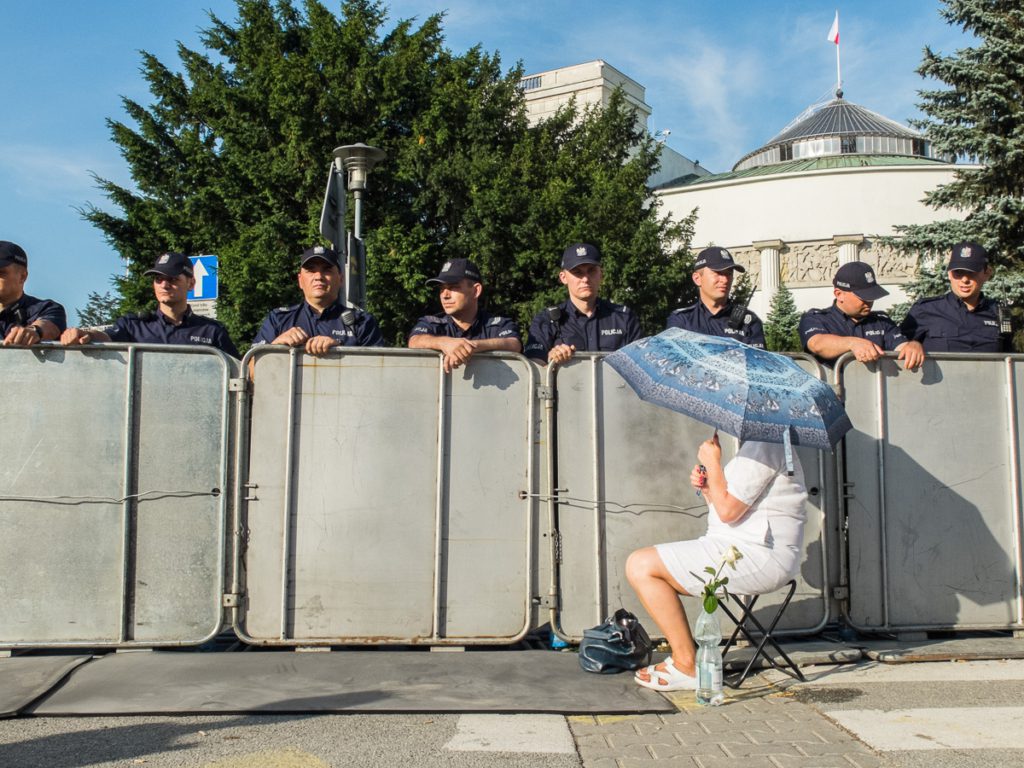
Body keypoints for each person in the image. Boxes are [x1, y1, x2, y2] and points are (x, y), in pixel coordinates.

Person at [626, 432, 807, 690]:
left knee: (641, 565)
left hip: (759, 555)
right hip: (735, 547)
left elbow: (728, 512)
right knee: (642, 564)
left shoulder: (766, 445)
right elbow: (727, 505)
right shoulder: (757, 448)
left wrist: (712, 462)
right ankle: (686, 659)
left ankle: (687, 664)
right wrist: (708, 486)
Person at [61, 252, 238, 357]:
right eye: (158, 279)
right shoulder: (133, 326)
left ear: (191, 284)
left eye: (173, 279)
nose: (164, 285)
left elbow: (236, 374)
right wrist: (85, 334)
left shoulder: (212, 331)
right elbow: (105, 338)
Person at [524, 243, 642, 364]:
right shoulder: (547, 320)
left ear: (601, 274)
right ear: (563, 277)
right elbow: (533, 369)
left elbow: (639, 367)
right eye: (577, 272)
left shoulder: (624, 318)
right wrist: (551, 360)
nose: (585, 279)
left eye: (591, 271)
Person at [252, 246, 385, 353]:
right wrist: (275, 347)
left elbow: (379, 374)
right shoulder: (278, 320)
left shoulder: (362, 322)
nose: (318, 277)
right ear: (300, 280)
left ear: (341, 279)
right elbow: (250, 372)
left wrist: (340, 350)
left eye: (326, 270)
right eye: (310, 270)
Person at [799, 261, 924, 370]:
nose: (869, 302)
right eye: (863, 297)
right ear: (839, 294)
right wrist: (852, 344)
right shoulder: (816, 319)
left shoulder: (882, 322)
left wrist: (913, 346)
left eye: (872, 296)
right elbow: (817, 344)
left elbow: (901, 347)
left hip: (875, 394)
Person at [407, 257, 522, 372]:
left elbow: (514, 344)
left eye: (453, 287)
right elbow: (414, 341)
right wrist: (445, 343)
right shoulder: (431, 323)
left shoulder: (498, 324)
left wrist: (470, 347)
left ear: (476, 290)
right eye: (442, 289)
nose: (445, 295)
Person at [900, 242, 1010, 352]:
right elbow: (897, 350)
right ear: (949, 274)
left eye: (972, 273)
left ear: (987, 273)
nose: (964, 280)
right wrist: (912, 344)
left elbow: (1012, 358)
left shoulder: (999, 313)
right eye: (958, 273)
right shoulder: (925, 310)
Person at [666, 246, 765, 348]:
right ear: (697, 279)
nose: (725, 280)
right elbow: (675, 361)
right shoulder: (682, 320)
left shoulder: (748, 321)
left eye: (729, 274)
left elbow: (758, 362)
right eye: (718, 273)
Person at [0, 240, 67, 346]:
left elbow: (49, 325)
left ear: (22, 276)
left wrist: (35, 331)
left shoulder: (45, 308)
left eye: (1, 272)